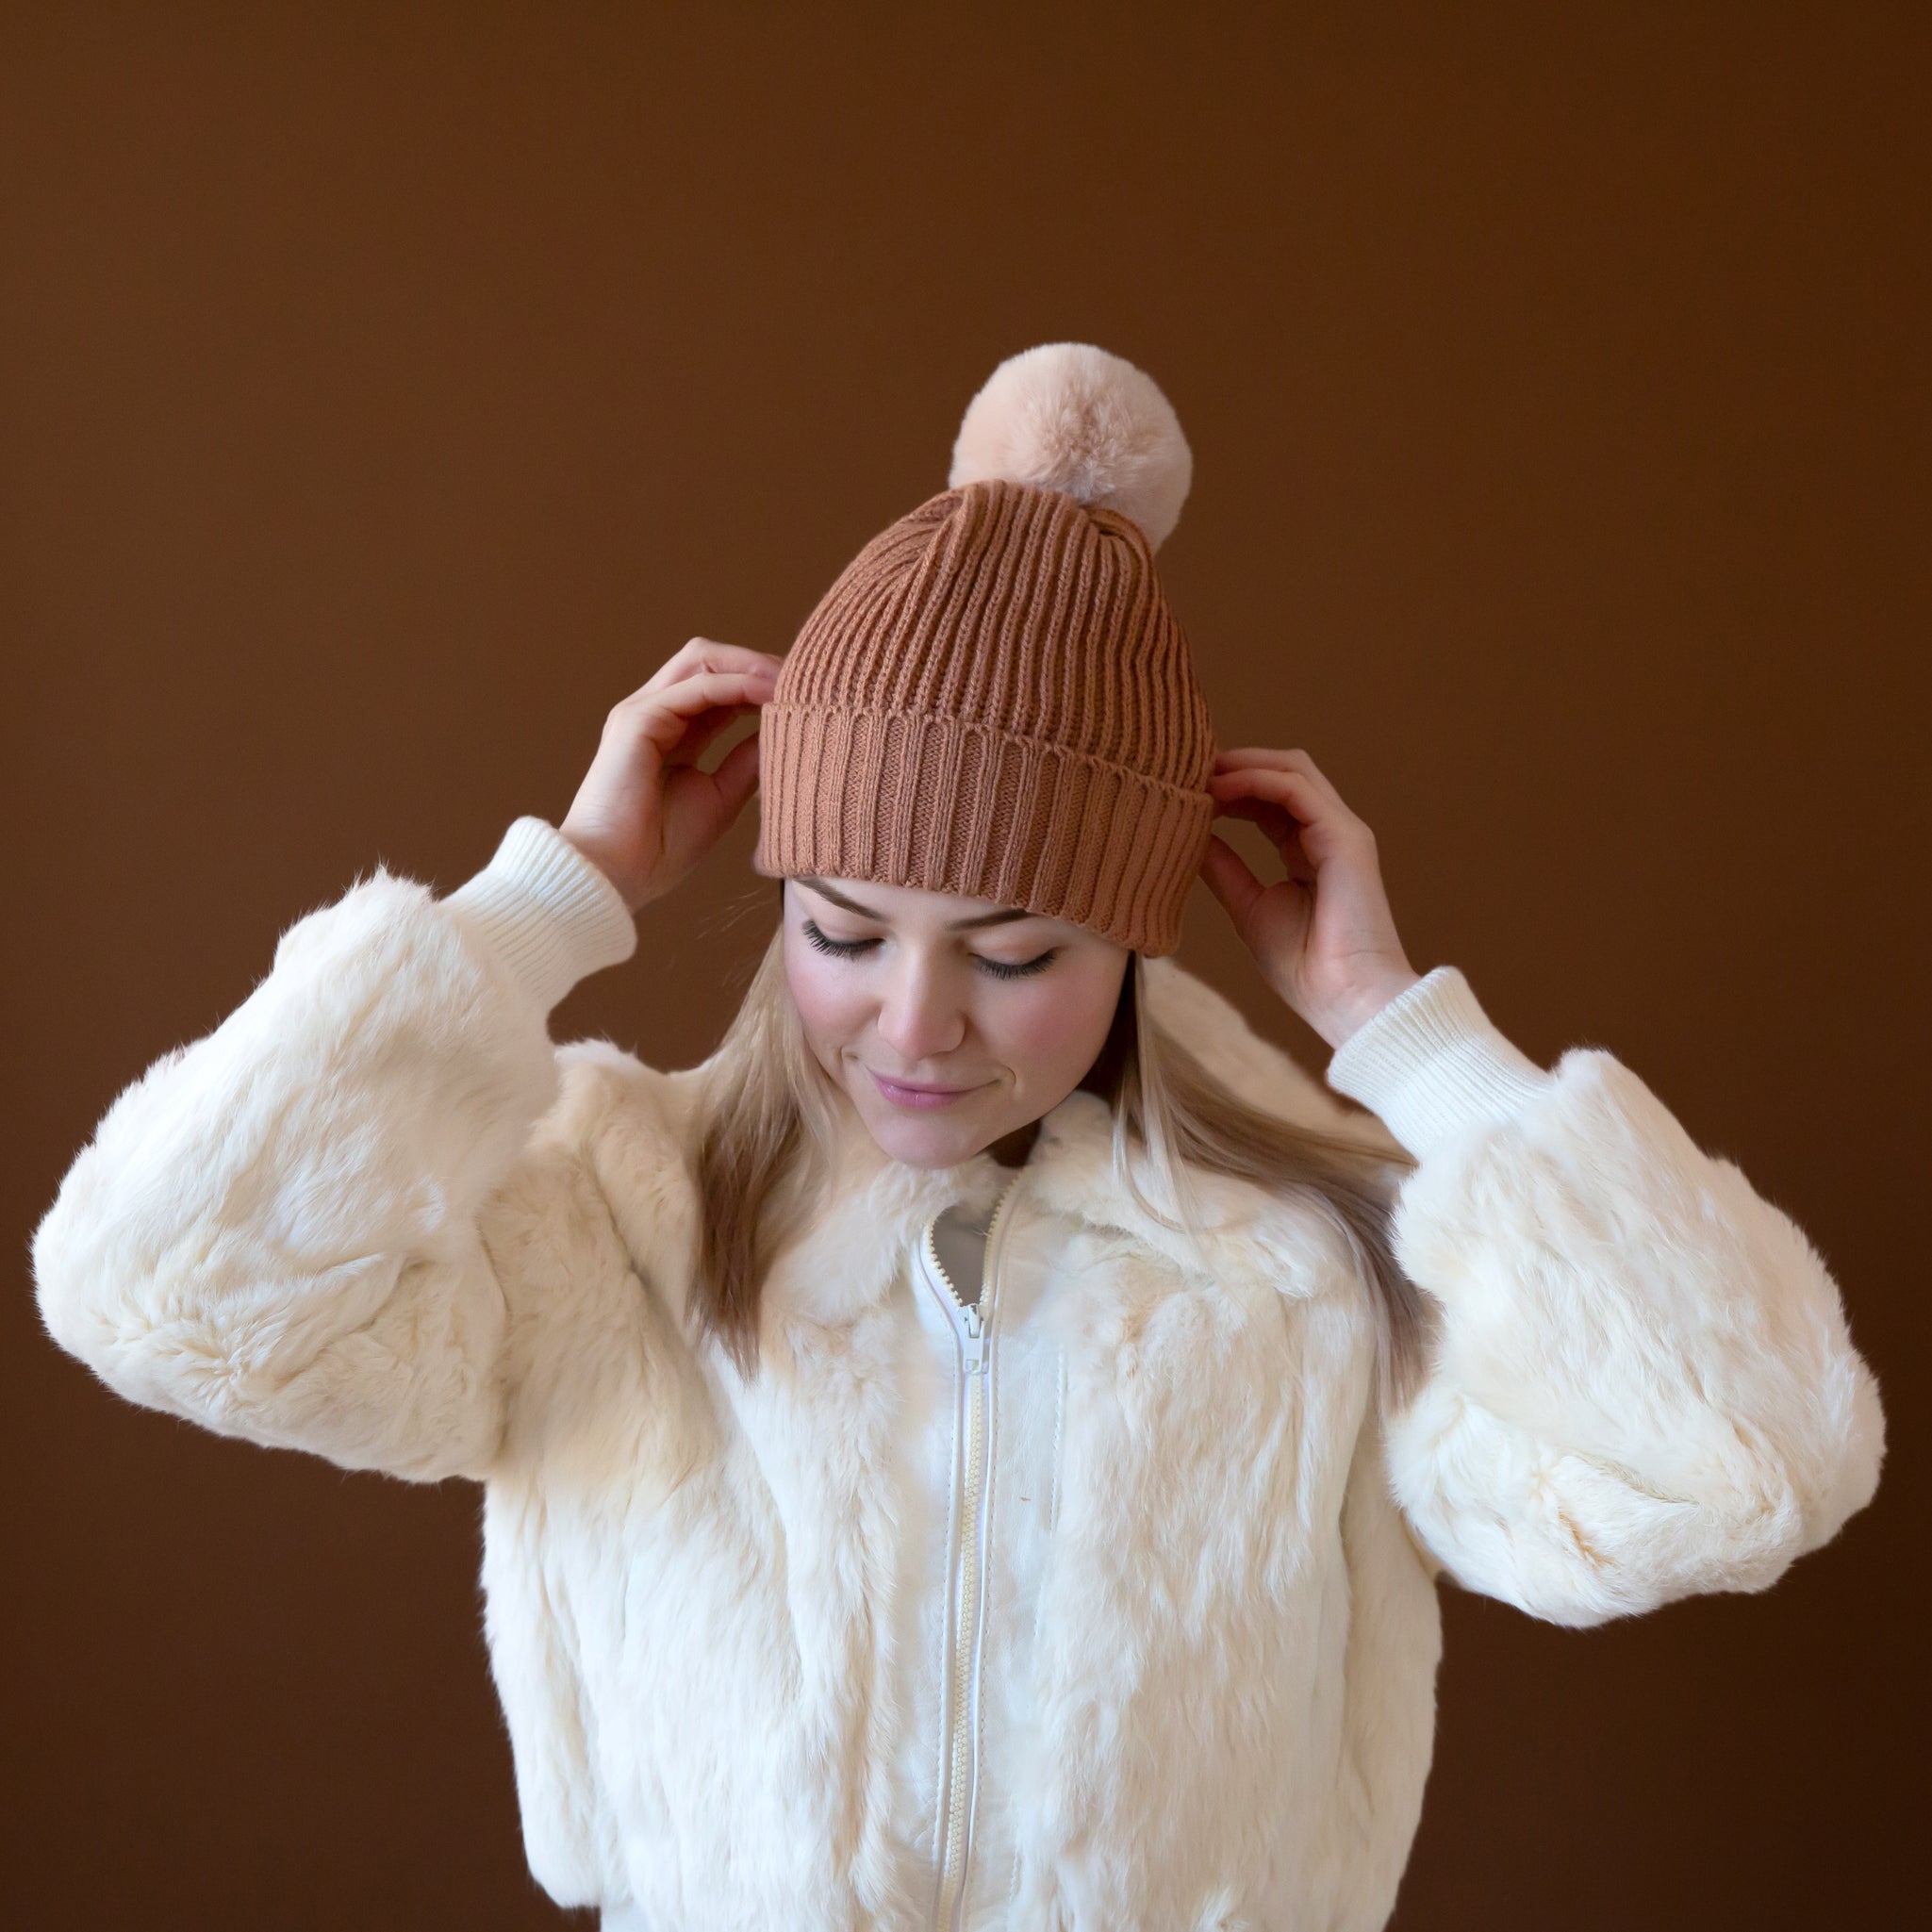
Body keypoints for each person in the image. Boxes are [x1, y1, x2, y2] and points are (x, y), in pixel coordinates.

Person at [32, 343, 1884, 1932]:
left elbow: (1741, 1466)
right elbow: (159, 1284)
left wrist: (1411, 1039)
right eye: (839, 929)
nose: (911, 1025)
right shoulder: (607, 1208)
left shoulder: (1321, 1260)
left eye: (1013, 953)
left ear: (1137, 934)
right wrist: (552, 896)